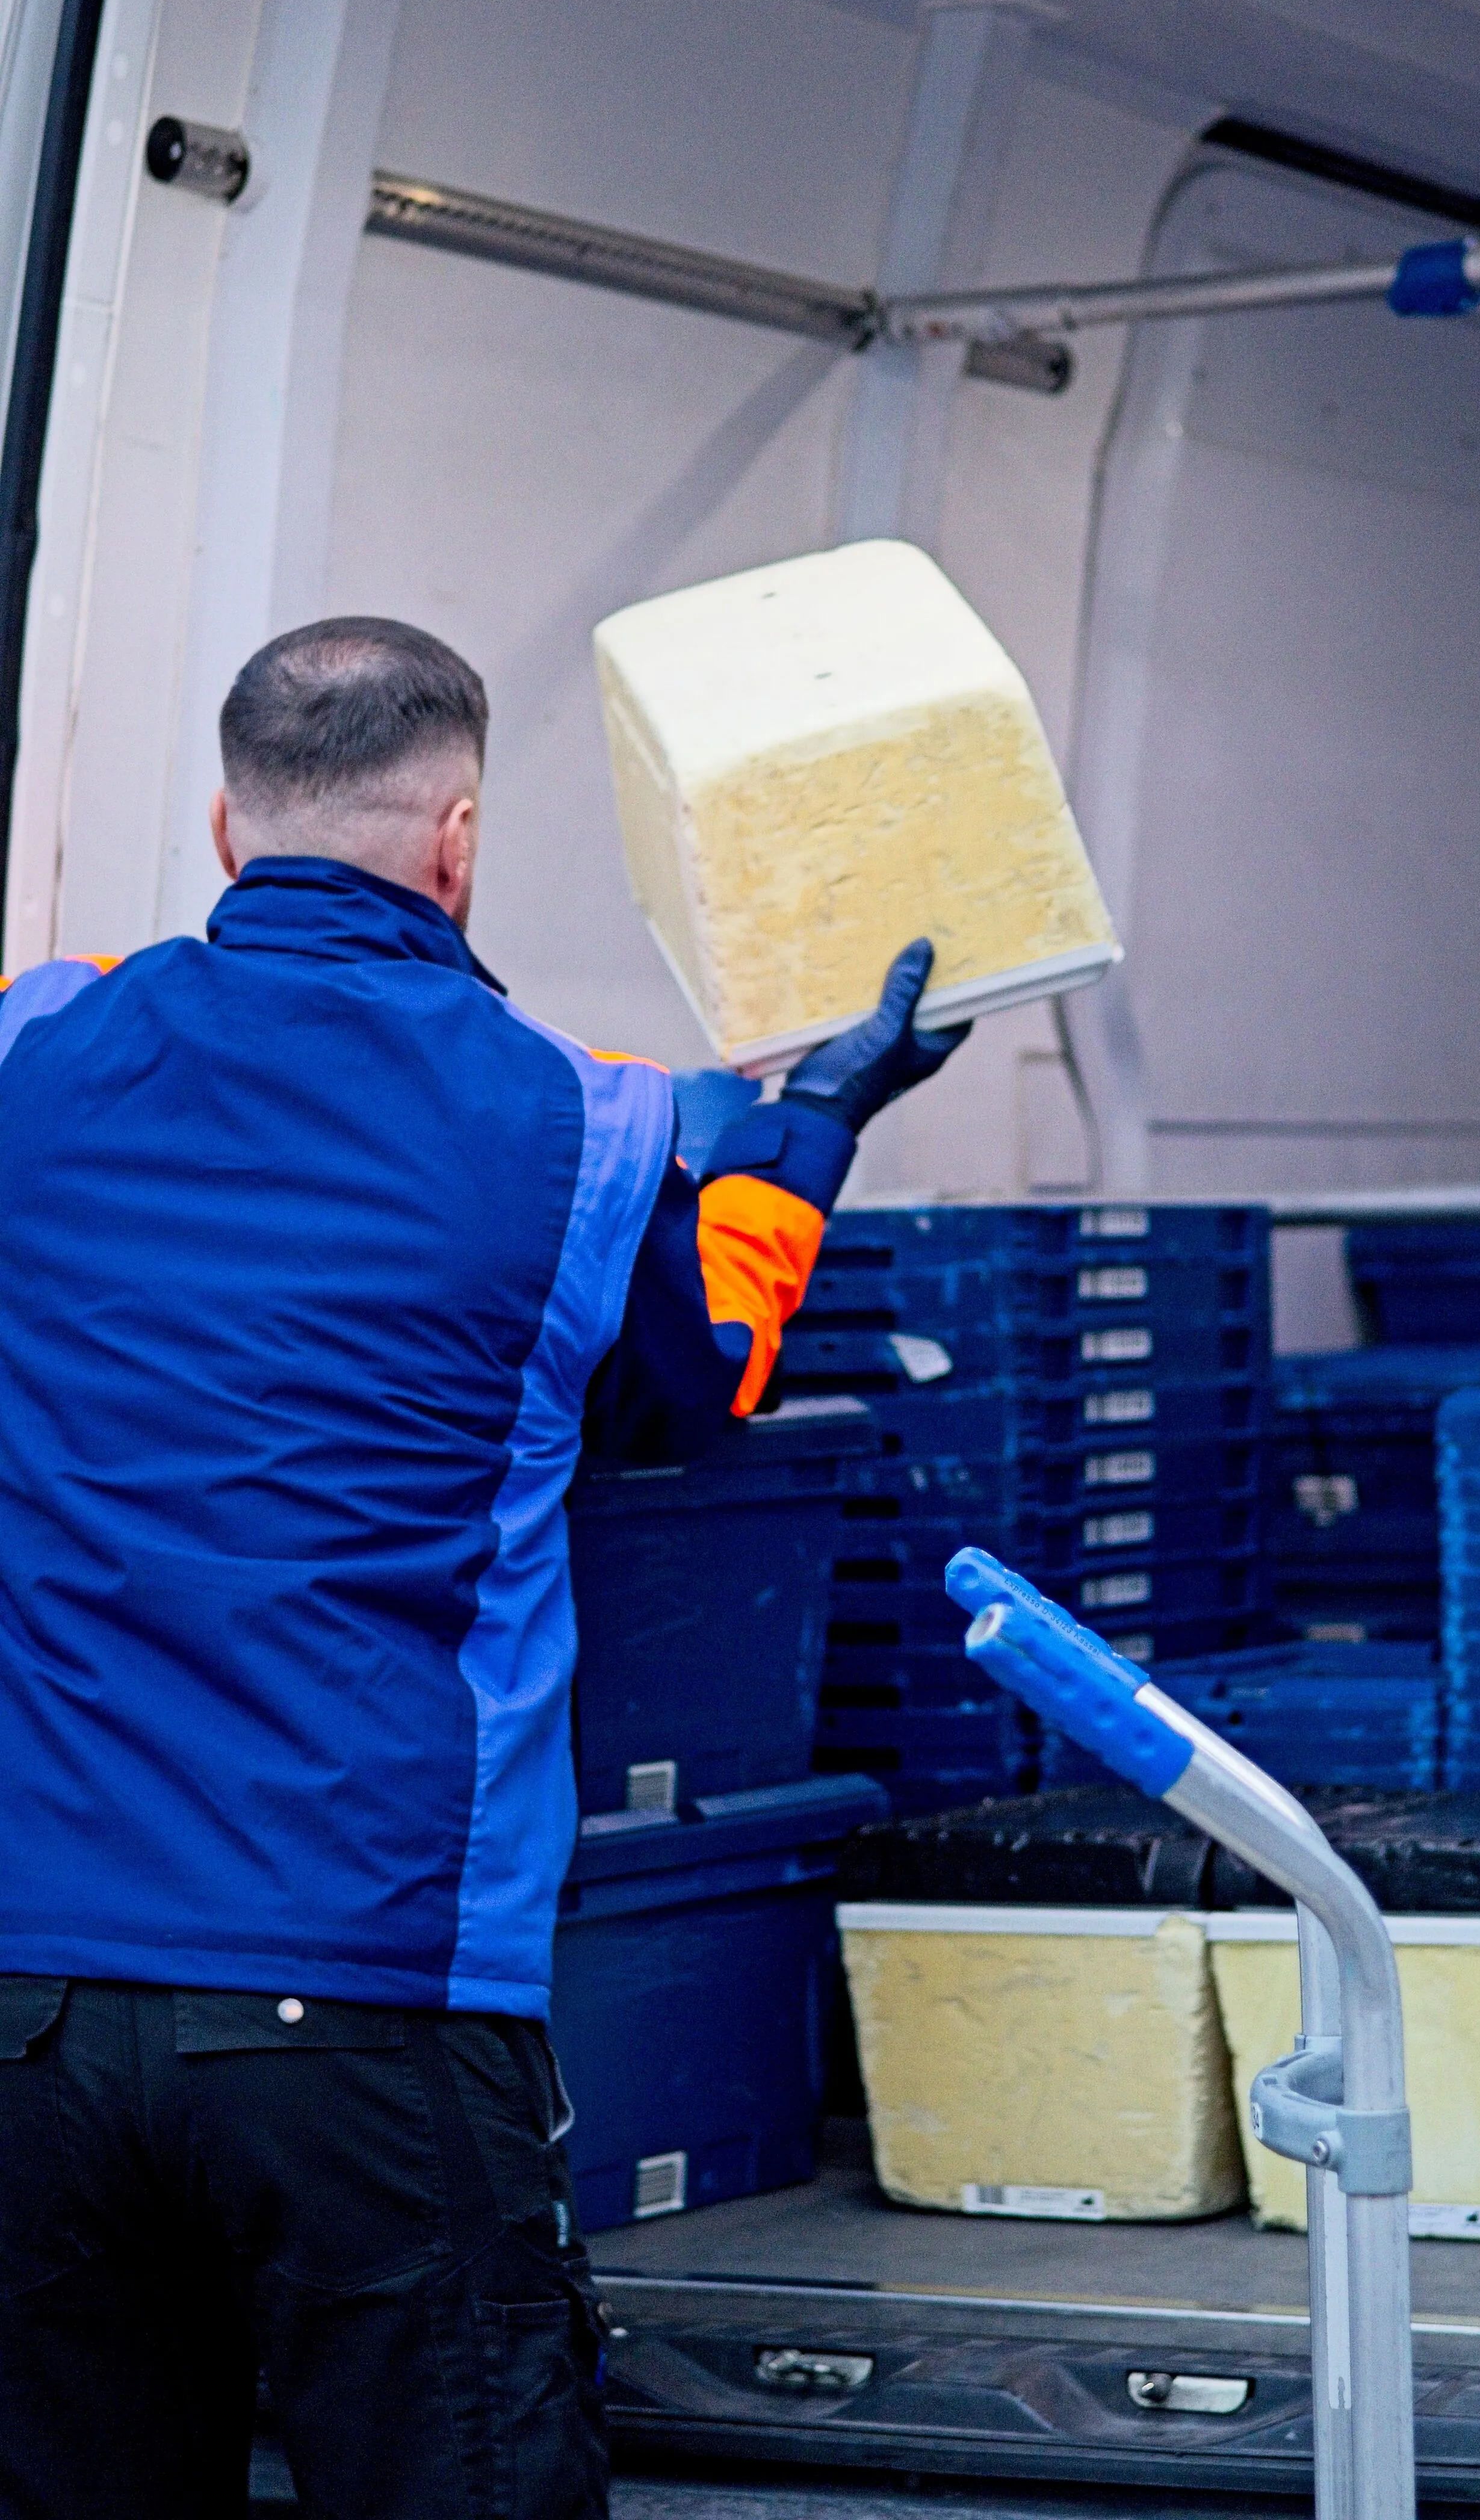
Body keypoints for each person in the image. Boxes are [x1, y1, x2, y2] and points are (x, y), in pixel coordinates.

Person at [0, 615, 967, 2520]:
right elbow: (709, 1368)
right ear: (455, 838)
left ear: (224, 826)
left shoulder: (35, 1044)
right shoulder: (579, 1128)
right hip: (367, 1999)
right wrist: (806, 1131)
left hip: (25, 1998)